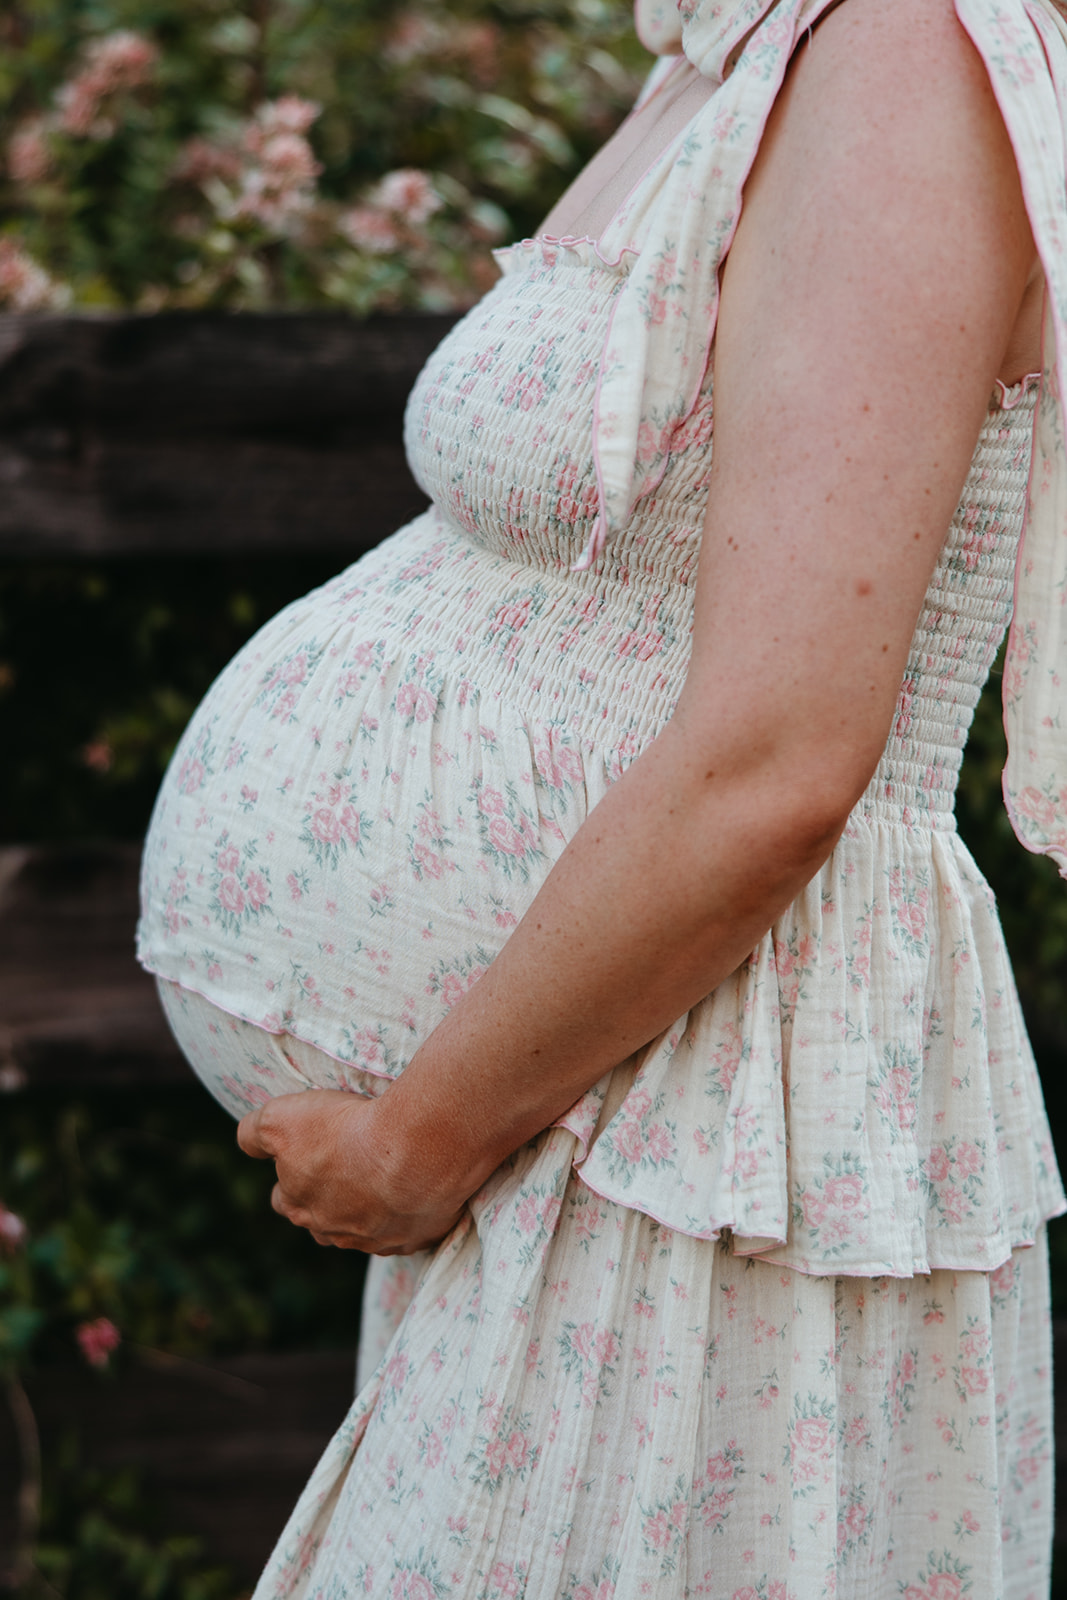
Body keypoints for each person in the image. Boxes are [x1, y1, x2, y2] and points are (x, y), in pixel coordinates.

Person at [137, 0, 1067, 1594]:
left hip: (695, 1119)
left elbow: (782, 759)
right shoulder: (757, 43)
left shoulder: (908, 55)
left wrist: (421, 1140)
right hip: (580, 1113)